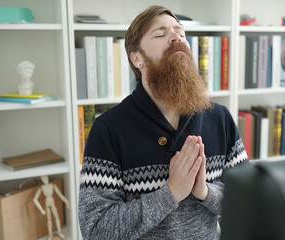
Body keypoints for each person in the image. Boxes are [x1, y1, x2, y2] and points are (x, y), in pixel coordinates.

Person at [78, 5, 249, 240]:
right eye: (160, 34)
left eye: (180, 31)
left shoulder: (219, 118)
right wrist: (170, 194)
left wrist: (205, 191)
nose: (176, 36)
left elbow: (247, 201)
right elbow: (96, 229)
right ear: (137, 58)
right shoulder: (108, 129)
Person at [33, 175, 70, 240]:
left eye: (45, 177)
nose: (45, 179)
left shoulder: (53, 186)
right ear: (41, 179)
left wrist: (67, 202)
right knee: (49, 220)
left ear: (48, 177)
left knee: (57, 217)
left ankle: (59, 232)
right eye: (43, 178)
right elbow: (35, 199)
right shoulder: (41, 188)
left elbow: (60, 195)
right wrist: (41, 209)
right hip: (47, 204)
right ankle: (50, 235)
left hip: (52, 203)